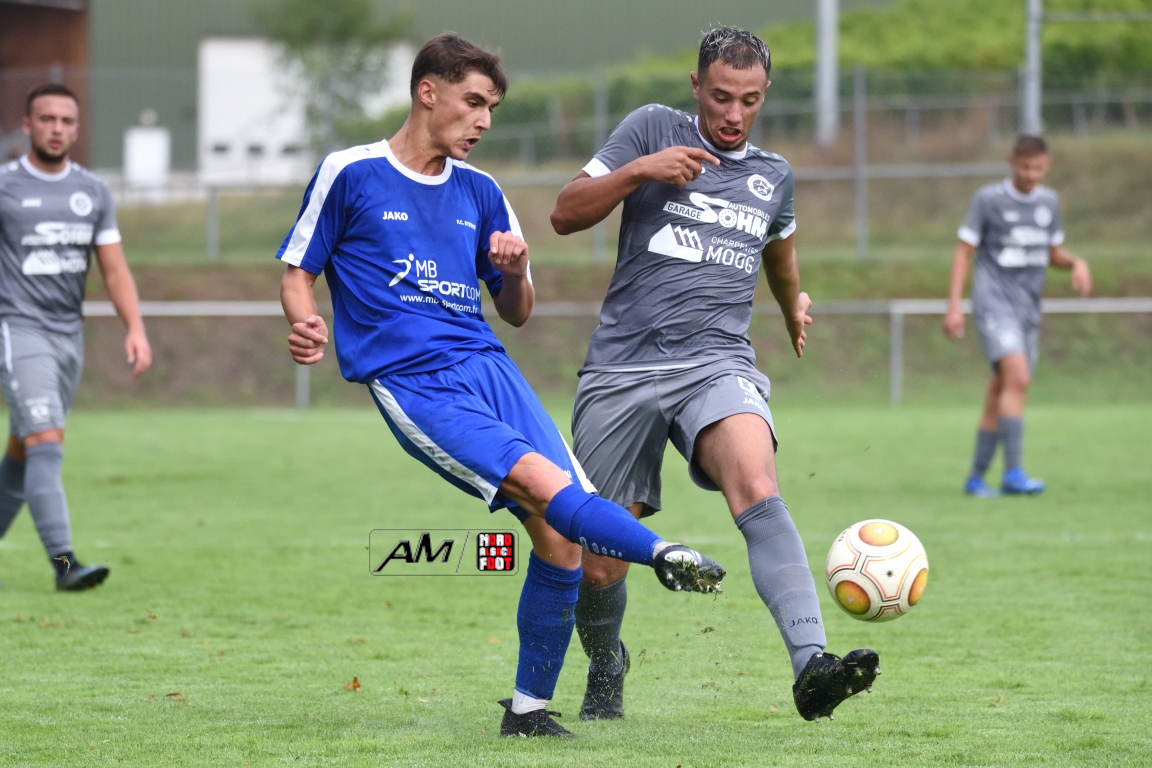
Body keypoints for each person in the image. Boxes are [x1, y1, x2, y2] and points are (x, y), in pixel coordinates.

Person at [275, 33, 725, 739]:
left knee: (560, 538)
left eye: (492, 108)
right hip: (415, 381)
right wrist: (304, 321)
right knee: (547, 488)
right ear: (428, 92)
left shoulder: (482, 192)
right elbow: (298, 271)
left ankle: (527, 713)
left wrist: (514, 271)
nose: (484, 120)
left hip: (491, 369)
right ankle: (665, 553)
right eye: (474, 102)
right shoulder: (351, 172)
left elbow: (517, 311)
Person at [550, 27, 880, 724]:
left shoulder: (773, 175)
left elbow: (780, 257)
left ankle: (812, 665)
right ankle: (607, 664)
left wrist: (792, 307)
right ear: (697, 86)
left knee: (758, 484)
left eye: (749, 100)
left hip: (717, 361)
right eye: (722, 97)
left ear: (765, 96)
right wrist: (642, 170)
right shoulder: (651, 128)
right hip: (622, 367)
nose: (734, 114)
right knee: (600, 563)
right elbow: (564, 213)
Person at [0, 83, 152, 590]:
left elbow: (114, 269)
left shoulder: (93, 191)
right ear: (27, 125)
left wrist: (135, 328)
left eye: (66, 121)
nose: (56, 129)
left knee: (24, 450)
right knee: (46, 441)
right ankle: (65, 567)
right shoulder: (5, 186)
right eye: (46, 119)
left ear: (77, 129)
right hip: (18, 329)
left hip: (68, 338)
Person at [945, 135, 1091, 497]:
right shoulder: (989, 199)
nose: (1031, 174)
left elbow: (1052, 253)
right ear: (1012, 163)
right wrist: (954, 306)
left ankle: (976, 479)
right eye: (1025, 167)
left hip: (1027, 308)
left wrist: (1075, 262)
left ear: (1047, 166)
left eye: (1038, 168)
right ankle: (1013, 473)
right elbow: (964, 251)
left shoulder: (1048, 202)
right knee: (1019, 378)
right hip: (993, 303)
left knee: (1002, 389)